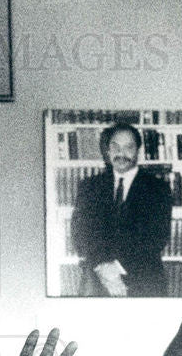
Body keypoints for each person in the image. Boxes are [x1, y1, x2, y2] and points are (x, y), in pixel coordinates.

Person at [71, 122, 172, 297]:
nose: (121, 153)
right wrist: (103, 268)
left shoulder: (158, 188)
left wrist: (116, 268)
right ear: (107, 151)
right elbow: (80, 233)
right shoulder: (89, 187)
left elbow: (157, 237)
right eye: (115, 147)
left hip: (144, 281)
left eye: (128, 147)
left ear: (138, 150)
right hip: (97, 279)